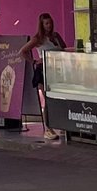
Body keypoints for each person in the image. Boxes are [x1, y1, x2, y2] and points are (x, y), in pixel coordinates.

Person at [23, 13, 65, 141]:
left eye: (50, 23)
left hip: (57, 70)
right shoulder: (38, 39)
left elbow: (63, 48)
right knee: (47, 99)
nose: (49, 26)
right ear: (41, 25)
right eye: (46, 24)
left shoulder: (56, 36)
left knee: (59, 98)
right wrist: (34, 61)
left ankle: (61, 124)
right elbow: (23, 51)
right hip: (43, 71)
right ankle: (48, 128)